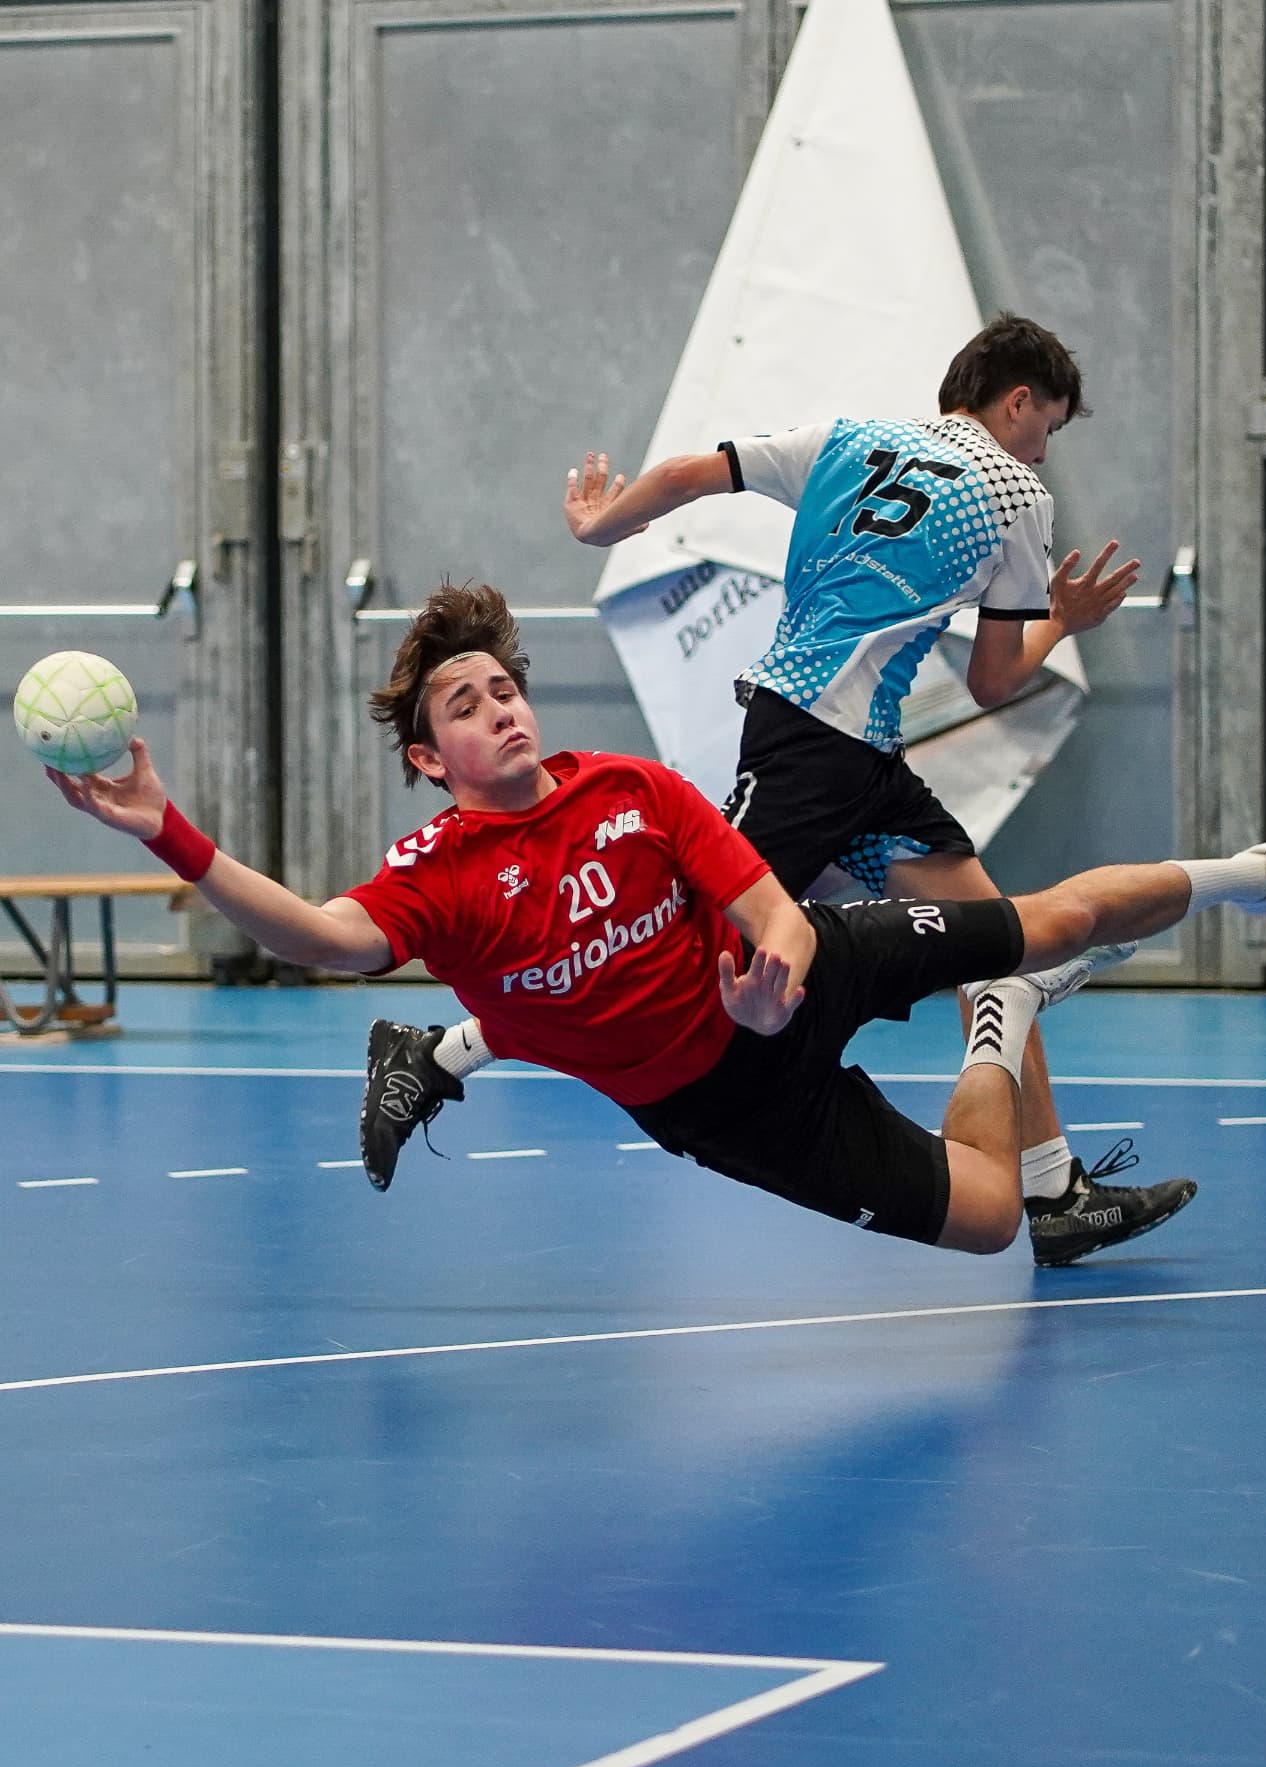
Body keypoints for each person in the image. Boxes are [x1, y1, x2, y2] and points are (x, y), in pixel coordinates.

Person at [45, 585, 1266, 1267]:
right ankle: (1002, 1025)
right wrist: (165, 826)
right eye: (464, 704)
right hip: (726, 1108)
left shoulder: (635, 791)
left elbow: (769, 906)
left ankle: (1261, 868)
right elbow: (318, 938)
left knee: (1038, 915)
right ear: (426, 758)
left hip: (783, 998)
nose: (502, 707)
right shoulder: (438, 877)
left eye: (505, 685)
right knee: (996, 1224)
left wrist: (780, 974)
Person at [389, 315, 1192, 1254]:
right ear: (1017, 402)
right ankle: (437, 1053)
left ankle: (1054, 1193)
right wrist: (1064, 619)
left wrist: (603, 523)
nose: (1045, 445)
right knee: (682, 933)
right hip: (820, 753)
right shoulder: (1015, 489)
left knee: (993, 946)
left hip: (847, 747)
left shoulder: (847, 439)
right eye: (1047, 423)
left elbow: (694, 474)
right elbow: (995, 680)